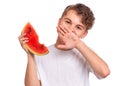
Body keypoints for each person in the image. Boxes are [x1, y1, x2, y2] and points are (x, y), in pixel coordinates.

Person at [18, 3, 110, 86]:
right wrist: (30, 54)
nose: (70, 29)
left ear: (84, 34)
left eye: (78, 27)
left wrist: (78, 43)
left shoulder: (85, 53)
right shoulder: (41, 54)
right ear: (59, 22)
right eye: (67, 22)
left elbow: (104, 72)